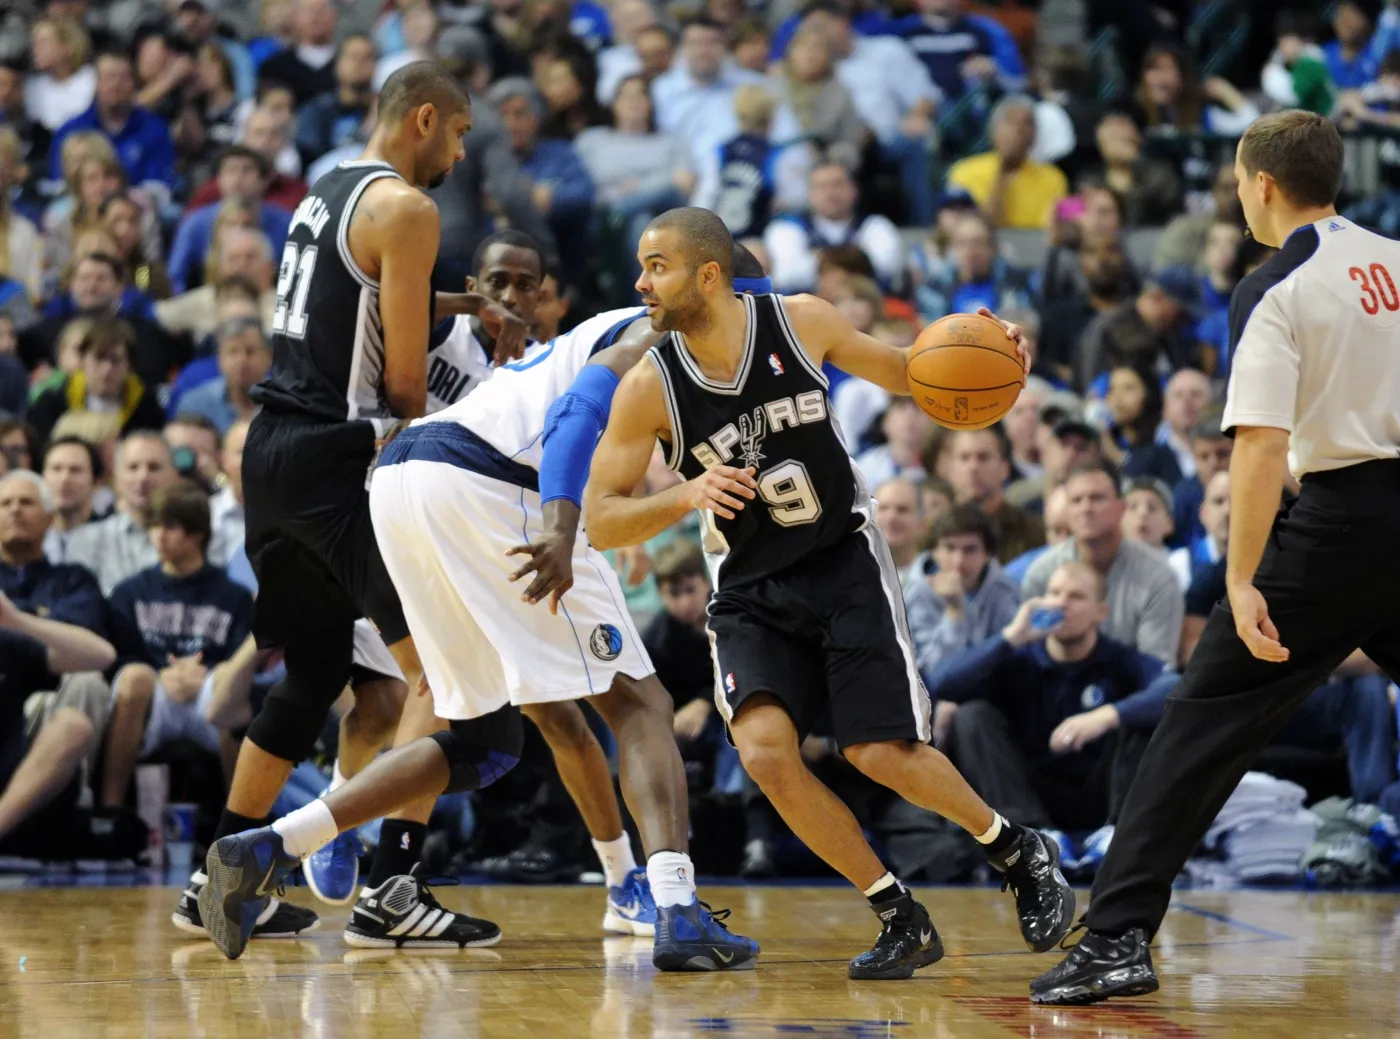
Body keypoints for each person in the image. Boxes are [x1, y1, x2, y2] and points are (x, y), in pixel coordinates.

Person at [215, 241, 768, 970]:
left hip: (409, 482)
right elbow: (575, 418)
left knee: (485, 741)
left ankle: (275, 842)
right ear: (723, 290)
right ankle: (674, 905)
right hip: (487, 482)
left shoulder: (645, 342)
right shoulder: (657, 330)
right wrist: (562, 525)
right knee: (639, 704)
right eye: (760, 305)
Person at [584, 207, 1072, 980]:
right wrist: (685, 495)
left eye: (657, 266)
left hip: (842, 559)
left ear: (707, 274)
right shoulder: (650, 386)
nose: (641, 282)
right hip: (748, 585)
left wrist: (989, 348)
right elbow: (601, 519)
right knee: (765, 754)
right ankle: (894, 911)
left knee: (880, 750)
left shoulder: (801, 321)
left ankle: (1016, 849)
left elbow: (916, 370)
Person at [1031, 111, 1400, 1005]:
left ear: (1262, 185)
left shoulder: (1274, 284)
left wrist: (1239, 579)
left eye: (1239, 182)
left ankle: (1116, 935)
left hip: (1340, 525)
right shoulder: (1395, 256)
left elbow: (1261, 447)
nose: (1238, 196)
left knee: (1199, 721)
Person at [189, 61, 527, 962]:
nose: (459, 154)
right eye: (457, 136)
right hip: (341, 462)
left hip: (270, 453)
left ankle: (208, 882)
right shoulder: (410, 210)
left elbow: (360, 304)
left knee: (311, 678)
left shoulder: (328, 187)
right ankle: (395, 888)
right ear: (425, 118)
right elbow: (405, 383)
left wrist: (464, 303)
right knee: (447, 686)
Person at [934, 561, 1172, 835]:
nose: (1061, 604)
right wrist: (1011, 636)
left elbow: (1174, 687)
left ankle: (1116, 836)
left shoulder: (1119, 659)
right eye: (1054, 593)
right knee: (970, 716)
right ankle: (1031, 837)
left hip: (1102, 793)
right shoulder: (1020, 657)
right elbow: (942, 686)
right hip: (1029, 794)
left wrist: (1107, 715)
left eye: (1076, 597)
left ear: (1100, 613)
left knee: (1141, 717)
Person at [100, 483, 253, 818]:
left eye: (170, 526)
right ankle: (109, 811)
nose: (159, 535)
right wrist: (160, 674)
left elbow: (245, 661)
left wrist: (206, 673)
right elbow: (118, 657)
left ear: (197, 533)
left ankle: (241, 819)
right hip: (155, 695)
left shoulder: (233, 595)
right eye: (154, 526)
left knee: (229, 680)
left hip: (208, 695)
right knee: (134, 677)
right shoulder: (129, 592)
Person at [1022, 460, 1183, 666]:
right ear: (1067, 513)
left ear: (1121, 508)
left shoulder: (1158, 576)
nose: (1086, 508)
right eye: (1076, 500)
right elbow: (1032, 658)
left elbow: (1157, 669)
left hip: (1129, 692)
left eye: (1096, 498)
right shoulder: (1042, 574)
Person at [65, 430, 175, 595]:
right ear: (116, 478)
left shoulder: (193, 538)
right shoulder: (87, 539)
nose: (143, 476)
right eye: (133, 467)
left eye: (154, 468)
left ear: (175, 476)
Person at [41, 435, 103, 563]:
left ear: (96, 482)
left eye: (75, 470)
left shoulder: (112, 537)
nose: (64, 479)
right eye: (56, 469)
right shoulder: (28, 537)